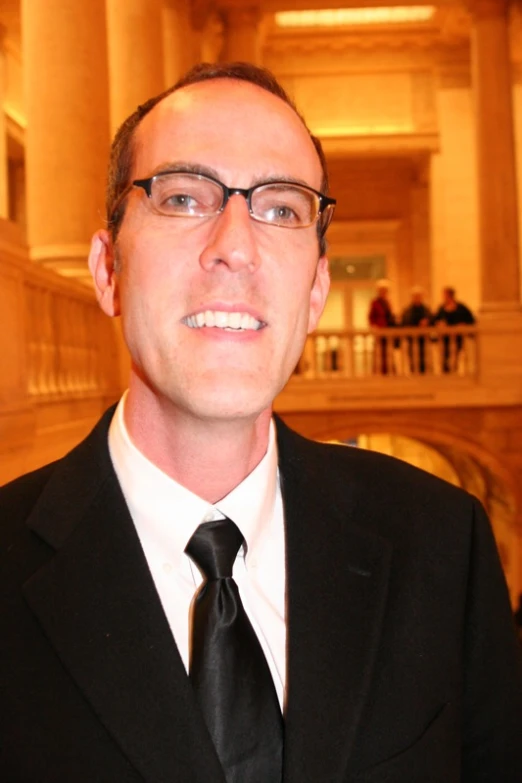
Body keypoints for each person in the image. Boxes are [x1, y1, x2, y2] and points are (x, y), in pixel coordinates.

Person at [1, 62, 521, 783]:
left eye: (281, 209)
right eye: (183, 197)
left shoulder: (442, 544)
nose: (235, 247)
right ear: (107, 270)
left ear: (315, 290)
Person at [433, 286, 476, 373]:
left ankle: (454, 371)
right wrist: (439, 323)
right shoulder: (442, 308)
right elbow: (435, 320)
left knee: (455, 355)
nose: (443, 297)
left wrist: (463, 325)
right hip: (445, 338)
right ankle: (445, 372)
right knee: (444, 356)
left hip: (457, 337)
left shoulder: (461, 308)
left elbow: (471, 320)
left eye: (445, 295)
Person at [401, 286, 432, 374]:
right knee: (413, 360)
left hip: (424, 339)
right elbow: (404, 322)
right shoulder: (407, 310)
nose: (417, 298)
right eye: (415, 296)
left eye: (419, 296)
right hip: (412, 339)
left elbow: (431, 319)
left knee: (424, 360)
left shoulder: (426, 309)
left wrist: (426, 322)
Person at [368, 279, 396, 374]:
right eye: (382, 290)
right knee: (379, 353)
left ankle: (389, 370)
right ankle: (378, 370)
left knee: (388, 352)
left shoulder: (388, 302)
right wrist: (375, 326)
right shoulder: (375, 302)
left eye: (385, 290)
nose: (384, 292)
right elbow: (371, 317)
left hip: (387, 331)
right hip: (380, 331)